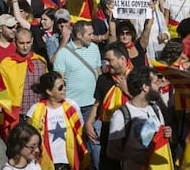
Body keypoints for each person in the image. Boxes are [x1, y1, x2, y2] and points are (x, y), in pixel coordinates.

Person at [107, 67, 172, 170]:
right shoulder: (121, 115)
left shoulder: (156, 109)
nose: (161, 84)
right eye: (156, 82)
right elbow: (112, 152)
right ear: (145, 87)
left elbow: (162, 140)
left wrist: (168, 134)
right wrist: (131, 156)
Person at [85, 42, 133, 170]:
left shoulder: (137, 77)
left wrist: (126, 91)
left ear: (122, 59)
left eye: (110, 60)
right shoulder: (103, 79)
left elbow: (145, 104)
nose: (106, 63)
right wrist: (89, 121)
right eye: (105, 60)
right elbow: (97, 104)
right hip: (109, 133)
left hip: (131, 132)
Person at [27, 71, 89, 170]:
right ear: (49, 91)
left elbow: (81, 134)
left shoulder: (72, 107)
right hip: (45, 163)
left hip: (69, 162)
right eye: (60, 87)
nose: (64, 89)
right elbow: (29, 139)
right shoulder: (35, 110)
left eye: (64, 85)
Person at [0, 28, 48, 133]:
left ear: (32, 41)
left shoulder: (41, 62)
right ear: (15, 43)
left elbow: (47, 89)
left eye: (28, 43)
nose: (25, 47)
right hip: (17, 116)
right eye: (21, 43)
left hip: (38, 115)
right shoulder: (6, 64)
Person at [53, 20, 102, 122]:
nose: (92, 37)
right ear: (79, 35)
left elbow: (98, 73)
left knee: (92, 136)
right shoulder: (63, 53)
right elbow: (59, 81)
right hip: (71, 105)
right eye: (89, 34)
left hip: (92, 105)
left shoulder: (94, 48)